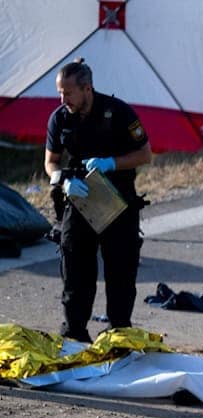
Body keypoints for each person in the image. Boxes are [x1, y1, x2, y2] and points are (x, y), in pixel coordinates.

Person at [44, 59, 152, 343]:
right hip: (79, 200)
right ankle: (75, 335)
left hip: (118, 202)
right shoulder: (59, 118)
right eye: (59, 93)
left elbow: (144, 154)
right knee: (75, 270)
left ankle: (118, 335)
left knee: (120, 273)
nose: (62, 99)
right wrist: (62, 180)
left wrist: (110, 163)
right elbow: (51, 161)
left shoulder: (118, 112)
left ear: (87, 88)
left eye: (67, 93)